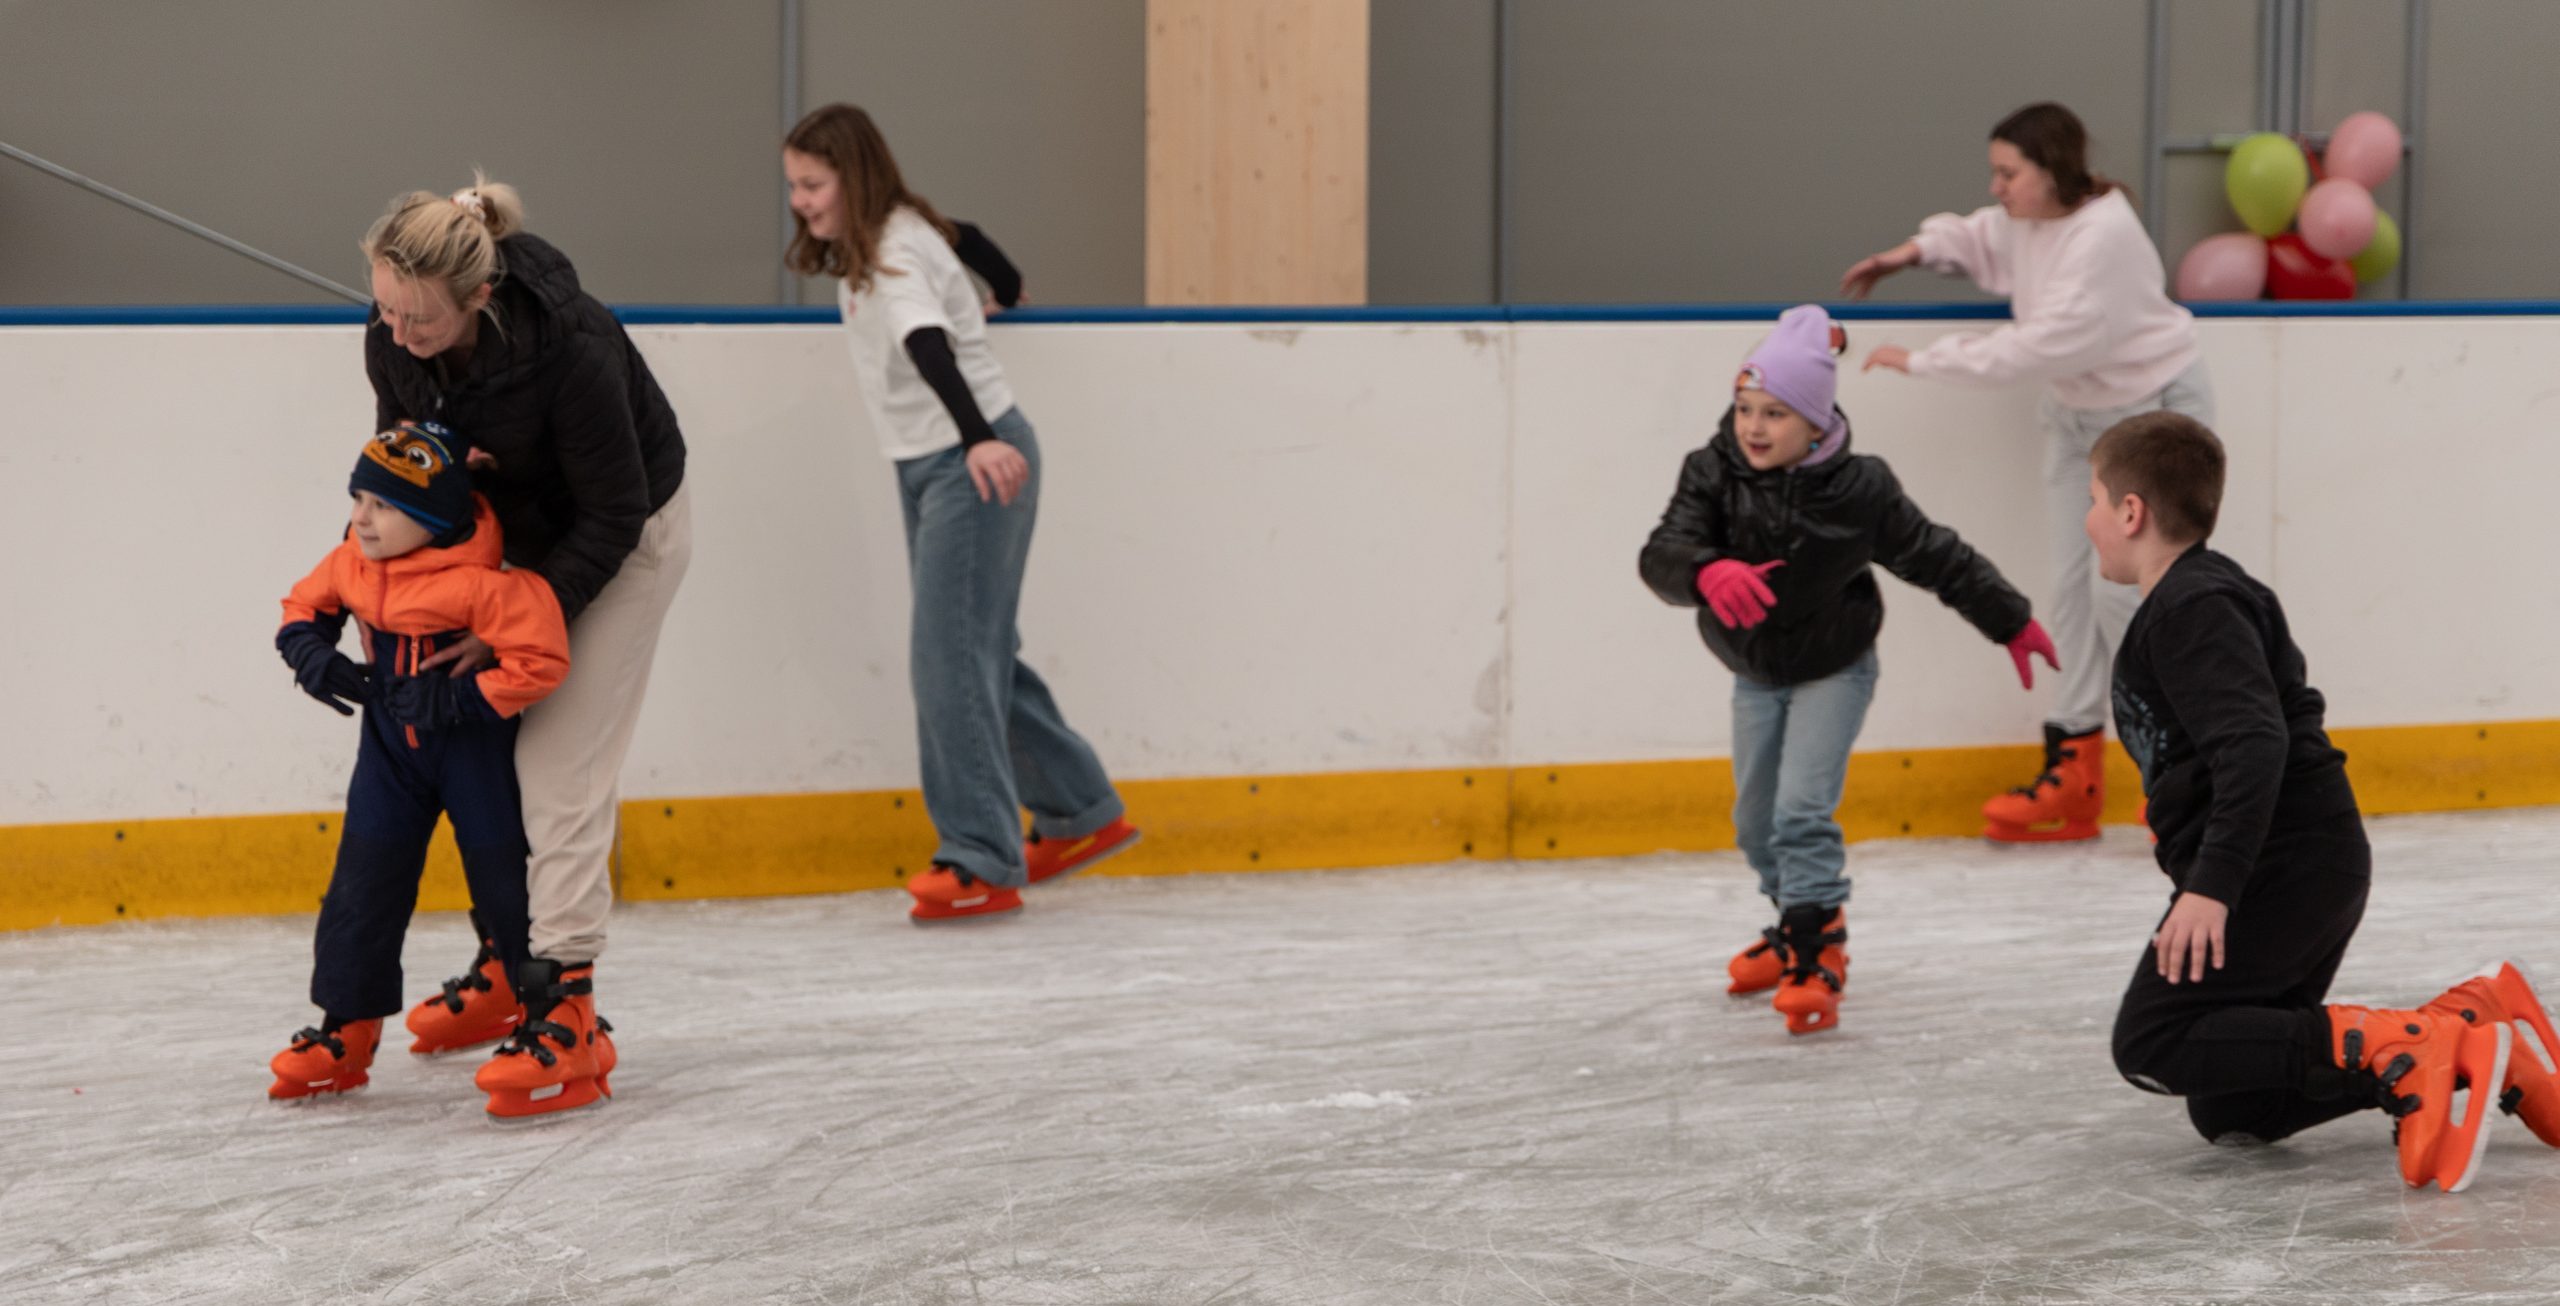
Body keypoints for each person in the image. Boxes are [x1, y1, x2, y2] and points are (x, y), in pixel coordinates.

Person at [2090, 411, 2557, 1192]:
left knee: (2153, 1039)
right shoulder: (2213, 591)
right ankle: (2476, 1028)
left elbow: (2253, 744)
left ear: (2130, 511)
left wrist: (2211, 885)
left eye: (2095, 500)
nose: (2090, 520)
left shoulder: (2190, 607)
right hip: (2305, 865)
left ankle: (2409, 1045)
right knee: (2237, 1106)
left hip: (2281, 868)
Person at [362, 177, 690, 1115]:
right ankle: (511, 964)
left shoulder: (571, 350)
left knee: (558, 765)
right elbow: (405, 464)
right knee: (478, 751)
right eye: (384, 309)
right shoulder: (394, 336)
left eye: (417, 319)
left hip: (622, 544)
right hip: (511, 547)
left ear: (478, 299)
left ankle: (571, 1009)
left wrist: (519, 615)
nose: (396, 335)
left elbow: (616, 511)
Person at [1639, 306, 2054, 1034]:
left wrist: (2009, 618)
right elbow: (1662, 551)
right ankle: (1804, 920)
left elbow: (1936, 555)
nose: (1754, 427)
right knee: (1754, 825)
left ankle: (1815, 952)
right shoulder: (1711, 473)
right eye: (1744, 408)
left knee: (1799, 811)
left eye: (1775, 412)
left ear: (1816, 420)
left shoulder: (1860, 488)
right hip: (1754, 669)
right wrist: (1703, 570)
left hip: (1835, 665)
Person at [783, 103, 1137, 923]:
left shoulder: (898, 249)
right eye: (795, 184)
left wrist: (976, 439)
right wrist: (1006, 290)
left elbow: (927, 345)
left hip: (970, 463)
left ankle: (980, 857)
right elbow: (971, 234)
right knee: (977, 652)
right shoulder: (907, 225)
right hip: (935, 461)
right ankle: (1082, 814)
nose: (800, 199)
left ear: (852, 174)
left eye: (812, 182)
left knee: (948, 659)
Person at [1841, 102, 2211, 845]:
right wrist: (1908, 253)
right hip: (2077, 420)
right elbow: (1983, 234)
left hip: (2147, 416)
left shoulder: (2103, 236)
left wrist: (1923, 360)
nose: (1999, 187)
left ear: (2054, 170)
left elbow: (2037, 348)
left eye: (2010, 173)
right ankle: (2074, 776)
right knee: (2070, 596)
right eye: (1996, 173)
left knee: (2133, 602)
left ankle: (2184, 776)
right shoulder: (2031, 218)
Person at [266, 422, 574, 1115]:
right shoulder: (352, 560)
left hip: (473, 751)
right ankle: (346, 1027)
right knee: (363, 883)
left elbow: (544, 659)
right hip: (388, 751)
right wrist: (311, 652)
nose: (360, 518)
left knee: (507, 885)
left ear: (434, 517)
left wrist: (462, 695)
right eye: (357, 498)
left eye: (382, 505)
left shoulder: (488, 584)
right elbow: (302, 606)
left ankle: (544, 1017)